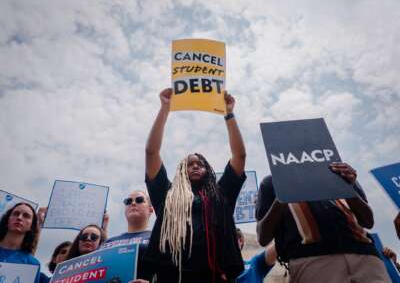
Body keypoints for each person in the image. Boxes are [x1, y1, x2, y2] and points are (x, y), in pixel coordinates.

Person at [144, 88, 247, 282]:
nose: (195, 166)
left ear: (208, 170)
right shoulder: (167, 194)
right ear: (182, 171)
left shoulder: (221, 193)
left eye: (200, 164)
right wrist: (165, 109)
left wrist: (229, 113)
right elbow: (151, 152)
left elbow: (239, 156)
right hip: (172, 277)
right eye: (189, 164)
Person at [256, 163, 391, 283]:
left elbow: (368, 221)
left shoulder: (340, 172)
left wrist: (347, 187)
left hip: (367, 260)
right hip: (312, 262)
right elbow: (263, 237)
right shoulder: (271, 183)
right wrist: (283, 195)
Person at [102, 190, 153, 282]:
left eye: (139, 200)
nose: (133, 203)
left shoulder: (159, 239)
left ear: (150, 210)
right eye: (128, 201)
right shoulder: (109, 242)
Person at [0, 203, 41, 283]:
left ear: (31, 226)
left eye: (26, 216)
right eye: (16, 214)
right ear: (7, 220)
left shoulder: (32, 264)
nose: (19, 217)